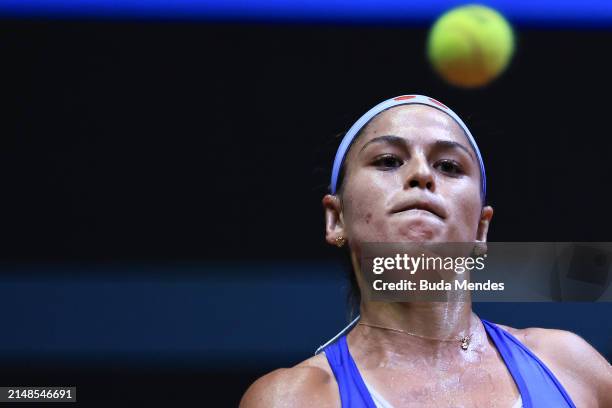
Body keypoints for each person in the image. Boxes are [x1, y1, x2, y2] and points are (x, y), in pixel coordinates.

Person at [240, 95, 612, 407]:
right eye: (388, 161)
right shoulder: (292, 399)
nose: (422, 174)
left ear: (481, 228)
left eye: (448, 166)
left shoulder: (572, 368)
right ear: (336, 219)